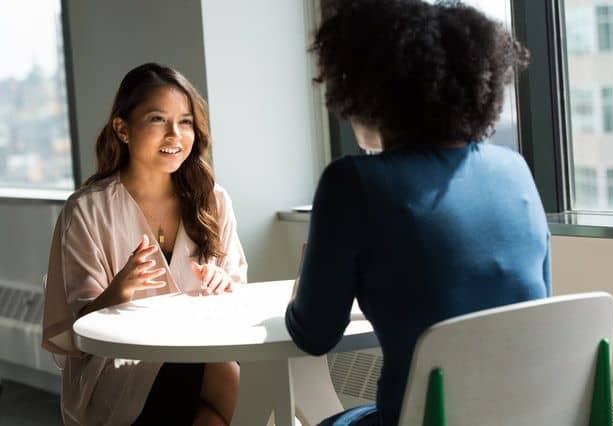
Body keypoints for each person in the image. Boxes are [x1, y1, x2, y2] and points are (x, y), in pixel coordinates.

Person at [285, 1, 550, 425]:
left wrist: (303, 292)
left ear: (367, 91)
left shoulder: (352, 182)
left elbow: (314, 335)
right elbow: (534, 306)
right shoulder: (514, 170)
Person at [42, 63, 247, 426]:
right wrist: (117, 293)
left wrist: (224, 284)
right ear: (122, 129)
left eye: (185, 121)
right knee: (222, 375)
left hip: (201, 353)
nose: (175, 135)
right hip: (119, 367)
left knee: (222, 379)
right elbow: (77, 331)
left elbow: (237, 295)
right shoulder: (87, 210)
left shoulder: (213, 200)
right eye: (157, 119)